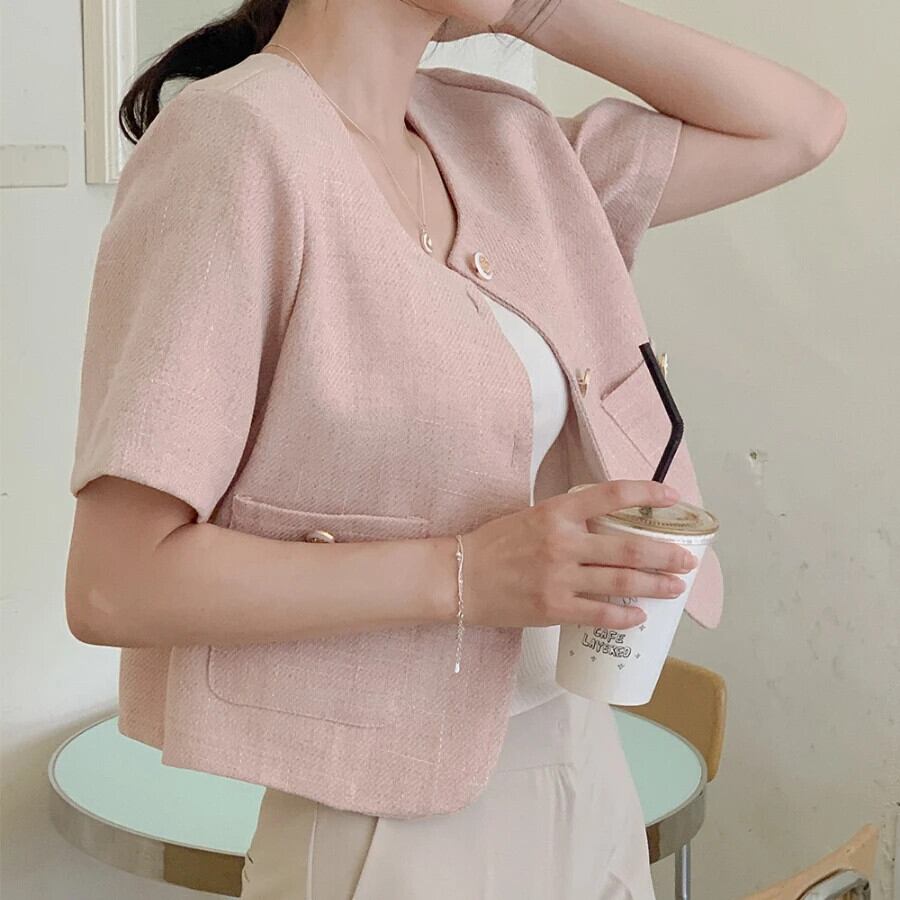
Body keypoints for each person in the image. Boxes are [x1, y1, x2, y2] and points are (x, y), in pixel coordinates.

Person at [65, 1, 844, 896]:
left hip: (584, 770)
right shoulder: (233, 142)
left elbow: (801, 128)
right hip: (386, 823)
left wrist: (537, 10)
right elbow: (115, 584)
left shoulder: (503, 143)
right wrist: (466, 573)